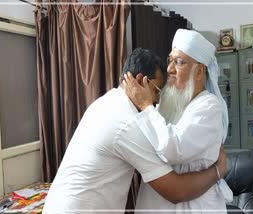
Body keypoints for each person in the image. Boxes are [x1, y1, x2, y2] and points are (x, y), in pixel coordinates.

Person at [42, 47, 227, 213]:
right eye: (156, 91)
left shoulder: (107, 102)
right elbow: (176, 190)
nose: (156, 102)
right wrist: (218, 170)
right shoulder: (127, 123)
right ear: (140, 81)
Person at [122, 29, 232, 213]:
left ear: (199, 71)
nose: (169, 69)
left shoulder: (209, 107)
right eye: (170, 60)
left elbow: (174, 149)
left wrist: (146, 105)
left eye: (179, 62)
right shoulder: (168, 101)